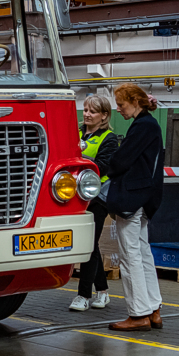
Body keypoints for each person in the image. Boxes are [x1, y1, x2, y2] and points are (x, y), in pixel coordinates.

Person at [104, 83, 166, 332]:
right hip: (144, 200)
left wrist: (105, 164)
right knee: (142, 254)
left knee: (130, 257)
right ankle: (153, 310)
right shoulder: (149, 125)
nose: (118, 109)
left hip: (132, 199)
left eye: (122, 104)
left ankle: (138, 314)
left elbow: (120, 161)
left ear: (137, 102)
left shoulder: (142, 126)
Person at [69, 96, 119, 311]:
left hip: (97, 198)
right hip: (75, 197)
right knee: (90, 244)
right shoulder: (76, 133)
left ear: (104, 115)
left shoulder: (109, 138)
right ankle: (103, 291)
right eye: (86, 109)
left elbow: (103, 166)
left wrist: (80, 162)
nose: (87, 114)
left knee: (88, 244)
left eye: (93, 111)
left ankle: (82, 295)